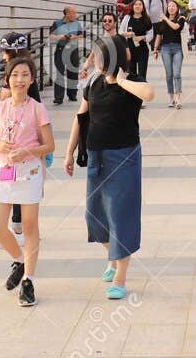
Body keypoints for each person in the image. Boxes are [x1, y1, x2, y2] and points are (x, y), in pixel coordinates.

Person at [64, 41, 153, 299]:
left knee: (120, 214)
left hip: (124, 157)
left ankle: (120, 276)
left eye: (101, 55)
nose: (96, 59)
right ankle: (112, 257)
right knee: (95, 216)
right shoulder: (93, 83)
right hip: (96, 156)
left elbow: (149, 94)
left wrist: (120, 81)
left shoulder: (132, 81)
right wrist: (69, 152)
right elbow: (81, 118)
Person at [0, 58, 54, 307]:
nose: (20, 79)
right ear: (7, 79)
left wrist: (27, 152)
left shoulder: (37, 108)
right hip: (5, 171)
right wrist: (0, 145)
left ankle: (28, 280)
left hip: (30, 171)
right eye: (15, 75)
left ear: (32, 79)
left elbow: (49, 145)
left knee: (29, 224)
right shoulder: (1, 108)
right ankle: (19, 259)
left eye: (25, 75)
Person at [0, 32, 42, 249]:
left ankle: (19, 232)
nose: (2, 57)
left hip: (27, 140)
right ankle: (18, 229)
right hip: (25, 139)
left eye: (4, 52)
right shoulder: (25, 69)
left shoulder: (18, 72)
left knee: (21, 186)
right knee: (17, 183)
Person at [152, 0, 187, 108]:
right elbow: (158, 36)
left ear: (177, 9)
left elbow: (175, 27)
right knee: (169, 75)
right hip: (165, 49)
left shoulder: (180, 19)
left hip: (177, 48)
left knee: (177, 74)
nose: (171, 8)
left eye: (173, 6)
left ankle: (178, 98)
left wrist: (165, 18)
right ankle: (171, 97)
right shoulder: (161, 22)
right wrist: (155, 49)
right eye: (169, 6)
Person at [49, 6, 86, 106]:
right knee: (59, 73)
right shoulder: (57, 23)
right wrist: (60, 37)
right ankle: (58, 98)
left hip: (73, 51)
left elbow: (81, 35)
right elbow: (51, 36)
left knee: (73, 73)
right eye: (73, 13)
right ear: (67, 14)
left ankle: (72, 95)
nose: (75, 15)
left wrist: (75, 37)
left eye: (75, 13)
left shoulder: (77, 24)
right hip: (61, 50)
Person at [121, 0, 152, 81]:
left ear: (143, 7)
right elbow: (120, 33)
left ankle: (141, 94)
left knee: (142, 75)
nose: (137, 6)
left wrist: (142, 37)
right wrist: (127, 34)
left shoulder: (146, 18)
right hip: (129, 50)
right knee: (131, 75)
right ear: (132, 6)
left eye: (140, 4)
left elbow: (151, 34)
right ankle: (132, 94)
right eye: (135, 4)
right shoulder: (127, 18)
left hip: (143, 50)